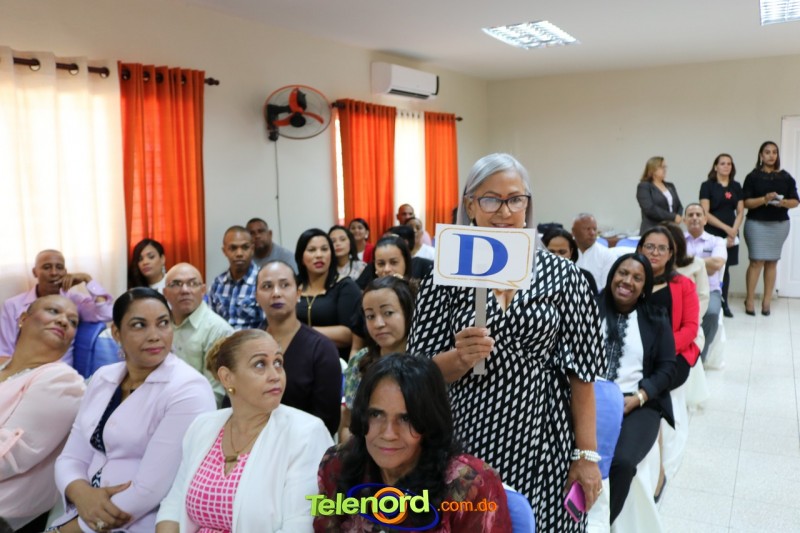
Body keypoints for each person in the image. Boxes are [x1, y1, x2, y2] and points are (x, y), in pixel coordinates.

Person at [408, 153, 605, 530]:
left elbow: (582, 373)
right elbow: (417, 373)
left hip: (544, 433)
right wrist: (459, 358)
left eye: (515, 199)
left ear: (527, 204)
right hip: (467, 432)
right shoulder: (445, 273)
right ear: (470, 205)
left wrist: (586, 455)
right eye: (490, 199)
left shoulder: (564, 276)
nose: (504, 211)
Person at [51, 288, 216, 533]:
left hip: (140, 522)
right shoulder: (103, 377)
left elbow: (148, 491)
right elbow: (71, 457)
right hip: (81, 511)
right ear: (116, 333)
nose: (155, 336)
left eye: (163, 323)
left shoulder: (189, 389)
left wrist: (70, 529)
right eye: (139, 325)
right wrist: (81, 494)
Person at [156, 330, 333, 532]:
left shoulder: (306, 433)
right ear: (227, 378)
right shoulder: (203, 426)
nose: (275, 375)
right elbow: (173, 505)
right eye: (260, 364)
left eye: (278, 363)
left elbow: (300, 526)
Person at [316, 354, 512, 532]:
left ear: (429, 422)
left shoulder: (470, 485)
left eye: (406, 418)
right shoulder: (337, 464)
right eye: (376, 414)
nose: (389, 434)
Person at [598, 254, 676, 523]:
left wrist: (640, 397)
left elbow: (667, 368)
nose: (627, 281)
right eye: (622, 273)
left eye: (637, 278)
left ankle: (601, 524)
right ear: (612, 276)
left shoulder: (655, 318)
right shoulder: (590, 309)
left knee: (622, 462)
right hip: (588, 399)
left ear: (645, 286)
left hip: (636, 404)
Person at [0, 296, 85, 531]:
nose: (63, 321)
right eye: (53, 311)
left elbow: (9, 455)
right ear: (23, 319)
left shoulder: (63, 381)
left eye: (73, 321)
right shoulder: (3, 368)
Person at [257, 260, 342, 435]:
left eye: (284, 285)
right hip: (251, 440)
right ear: (256, 297)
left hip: (302, 443)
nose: (276, 293)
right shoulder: (248, 345)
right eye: (267, 286)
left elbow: (328, 421)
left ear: (298, 293)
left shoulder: (322, 349)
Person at [0, 249, 112, 365]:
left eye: (59, 267)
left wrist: (87, 279)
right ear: (35, 272)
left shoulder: (74, 301)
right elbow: (4, 352)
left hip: (60, 370)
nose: (54, 273)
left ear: (65, 272)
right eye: (47, 267)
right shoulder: (13, 305)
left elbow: (106, 314)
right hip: (23, 370)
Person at [341, 276, 414, 442]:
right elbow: (347, 425)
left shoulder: (427, 362)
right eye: (370, 316)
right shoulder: (360, 361)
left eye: (388, 313)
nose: (378, 324)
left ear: (408, 312)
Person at [742, 141, 799, 316]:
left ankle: (767, 301)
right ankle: (750, 299)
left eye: (774, 152)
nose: (771, 155)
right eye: (767, 152)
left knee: (772, 262)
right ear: (761, 155)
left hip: (779, 225)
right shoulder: (752, 177)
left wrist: (783, 202)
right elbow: (746, 203)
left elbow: (795, 201)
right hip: (756, 224)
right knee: (756, 261)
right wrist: (764, 199)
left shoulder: (786, 177)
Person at [163, 263, 233, 405]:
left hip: (197, 408)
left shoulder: (218, 329)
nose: (185, 290)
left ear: (203, 290)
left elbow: (215, 393)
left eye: (192, 283)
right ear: (165, 293)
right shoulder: (161, 325)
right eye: (176, 284)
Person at [294, 229, 362, 360]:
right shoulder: (293, 286)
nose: (319, 255)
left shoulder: (345, 286)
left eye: (324, 249)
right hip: (299, 357)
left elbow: (349, 335)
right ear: (301, 258)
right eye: (312, 250)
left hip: (335, 359)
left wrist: (302, 332)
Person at [699, 153, 743, 317]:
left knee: (726, 268)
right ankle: (707, 303)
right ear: (715, 166)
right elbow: (705, 212)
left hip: (731, 233)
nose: (726, 166)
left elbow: (740, 212)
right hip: (712, 232)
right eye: (722, 163)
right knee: (710, 267)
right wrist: (726, 229)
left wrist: (733, 231)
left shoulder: (736, 186)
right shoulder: (707, 186)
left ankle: (723, 303)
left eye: (729, 163)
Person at [684, 204, 727, 360]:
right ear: (684, 220)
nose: (694, 218)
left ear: (705, 219)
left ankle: (699, 357)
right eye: (690, 215)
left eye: (698, 214)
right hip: (682, 290)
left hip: (710, 290)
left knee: (712, 314)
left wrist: (687, 263)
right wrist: (704, 264)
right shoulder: (677, 241)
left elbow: (717, 263)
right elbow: (672, 265)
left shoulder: (717, 241)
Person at [209, 226, 264, 330]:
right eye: (233, 248)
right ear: (224, 251)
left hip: (254, 339)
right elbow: (211, 322)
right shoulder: (217, 283)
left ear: (252, 249)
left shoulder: (264, 281)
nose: (239, 253)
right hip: (222, 340)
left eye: (245, 247)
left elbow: (270, 323)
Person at [544, 226, 599, 295]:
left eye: (562, 252)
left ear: (571, 252)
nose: (556, 257)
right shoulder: (534, 276)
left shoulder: (584, 277)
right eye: (551, 252)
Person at [636, 156, 683, 235]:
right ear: (652, 169)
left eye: (665, 167)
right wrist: (673, 217)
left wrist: (679, 216)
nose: (664, 169)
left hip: (671, 230)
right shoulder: (644, 186)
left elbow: (679, 206)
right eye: (661, 167)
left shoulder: (670, 185)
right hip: (653, 230)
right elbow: (650, 209)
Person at [571, 213, 615, 292]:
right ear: (573, 231)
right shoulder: (564, 252)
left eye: (594, 229)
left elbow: (606, 289)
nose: (592, 233)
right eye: (587, 229)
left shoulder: (607, 255)